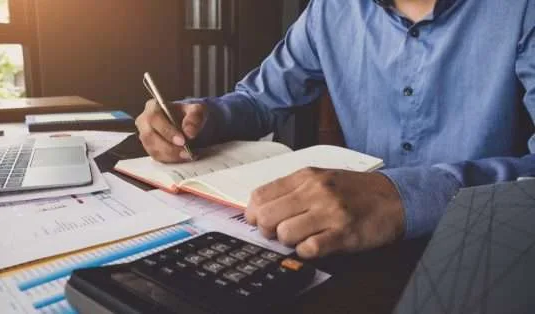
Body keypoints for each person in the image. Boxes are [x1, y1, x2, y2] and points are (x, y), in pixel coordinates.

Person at [135, 0, 535, 259]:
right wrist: (201, 117)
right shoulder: (331, 10)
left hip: (492, 251)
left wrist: (405, 197)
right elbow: (260, 101)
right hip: (352, 247)